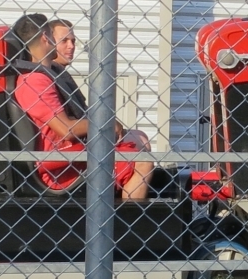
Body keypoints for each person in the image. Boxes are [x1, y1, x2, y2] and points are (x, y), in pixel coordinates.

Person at [9, 14, 156, 202]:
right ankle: (126, 219)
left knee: (138, 140)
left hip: (72, 154)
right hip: (59, 167)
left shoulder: (46, 75)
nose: (68, 45)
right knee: (143, 163)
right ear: (46, 38)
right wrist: (105, 123)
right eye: (57, 38)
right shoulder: (35, 81)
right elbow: (66, 129)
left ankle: (114, 202)